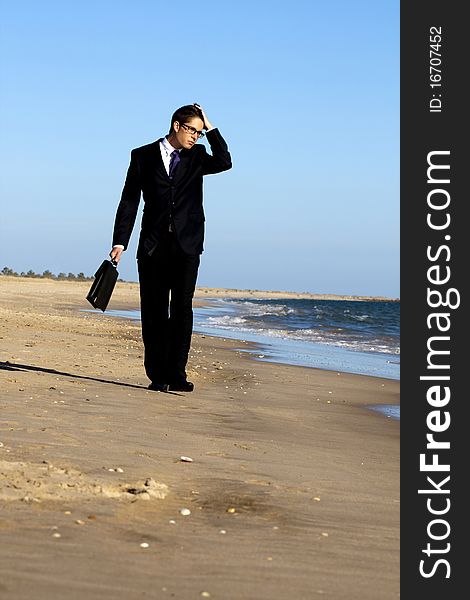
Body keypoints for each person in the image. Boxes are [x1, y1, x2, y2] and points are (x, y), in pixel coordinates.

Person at [110, 104, 232, 392]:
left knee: (182, 309)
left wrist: (211, 128)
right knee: (153, 311)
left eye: (200, 133)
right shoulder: (142, 156)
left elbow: (225, 161)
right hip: (153, 246)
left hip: (187, 244)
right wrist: (120, 241)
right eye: (193, 130)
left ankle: (176, 373)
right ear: (177, 125)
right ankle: (157, 375)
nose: (195, 137)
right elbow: (129, 200)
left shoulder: (198, 156)